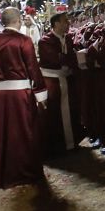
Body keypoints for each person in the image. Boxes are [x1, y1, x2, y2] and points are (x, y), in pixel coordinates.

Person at [0, 7, 48, 189]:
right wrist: (41, 93)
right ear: (18, 21)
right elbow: (33, 69)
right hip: (20, 94)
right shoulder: (24, 41)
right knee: (24, 132)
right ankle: (25, 173)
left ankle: (2, 174)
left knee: (2, 132)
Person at [39, 11, 81, 157]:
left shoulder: (68, 39)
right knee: (54, 114)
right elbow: (56, 59)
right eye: (65, 21)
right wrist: (69, 58)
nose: (68, 23)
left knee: (70, 110)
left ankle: (71, 142)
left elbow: (69, 57)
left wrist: (69, 59)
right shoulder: (45, 41)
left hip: (67, 79)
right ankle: (56, 146)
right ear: (56, 24)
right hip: (53, 81)